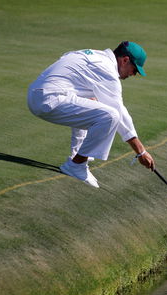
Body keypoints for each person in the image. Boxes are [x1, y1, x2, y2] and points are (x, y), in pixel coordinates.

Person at [27, 41, 155, 188]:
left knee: (93, 101)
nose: (133, 74)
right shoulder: (107, 70)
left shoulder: (96, 55)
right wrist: (140, 151)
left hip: (39, 94)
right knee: (110, 115)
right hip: (47, 100)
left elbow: (66, 58)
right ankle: (76, 165)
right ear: (125, 60)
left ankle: (77, 154)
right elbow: (119, 112)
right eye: (134, 69)